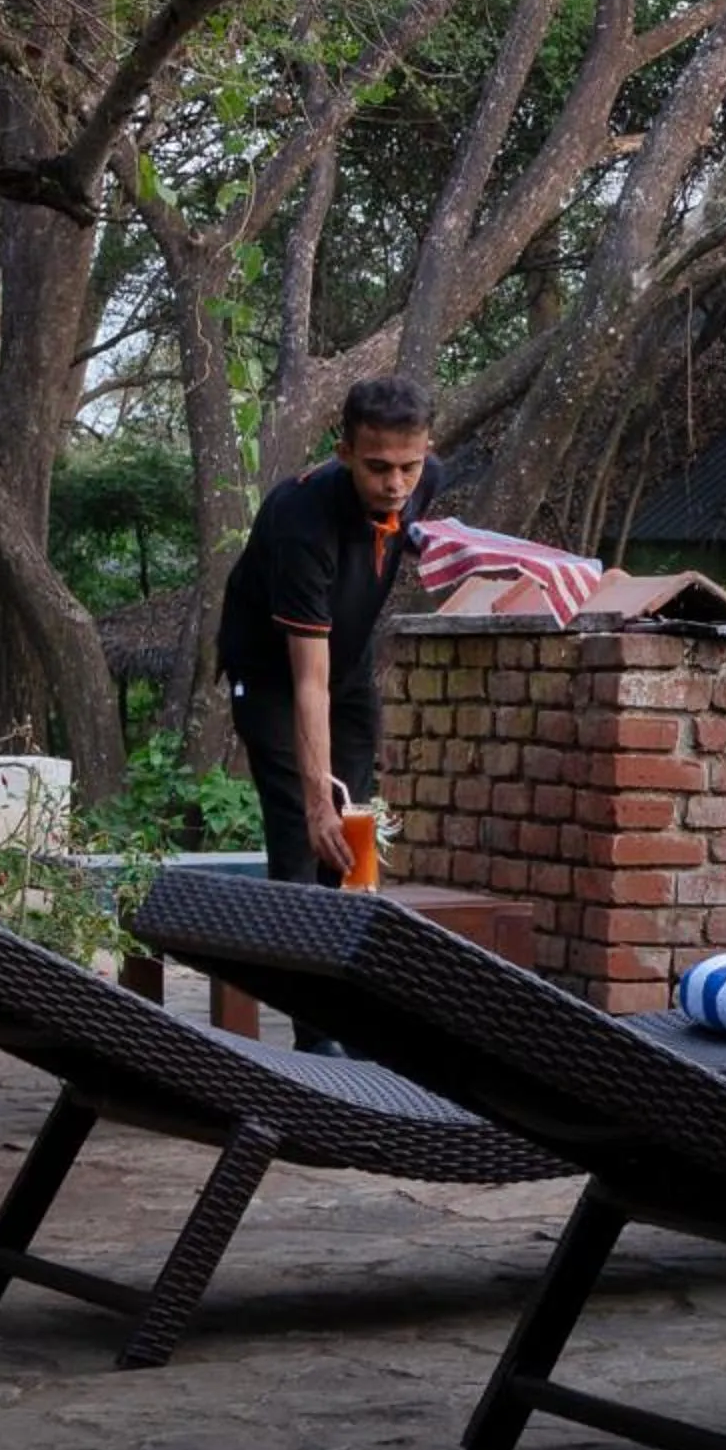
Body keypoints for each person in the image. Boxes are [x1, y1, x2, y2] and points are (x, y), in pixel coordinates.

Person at [217, 376, 442, 1052]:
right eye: (378, 467)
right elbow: (303, 679)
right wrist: (318, 797)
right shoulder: (301, 519)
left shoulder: (426, 477)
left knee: (355, 837)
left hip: (344, 671)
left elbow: (419, 535)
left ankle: (354, 1008)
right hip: (274, 678)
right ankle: (314, 1039)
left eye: (409, 465)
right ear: (343, 451)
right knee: (302, 838)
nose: (396, 483)